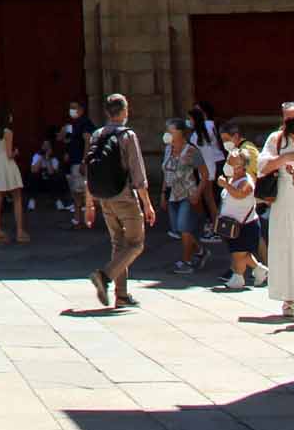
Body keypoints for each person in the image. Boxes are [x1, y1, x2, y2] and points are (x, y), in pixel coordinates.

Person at [80, 93, 156, 309]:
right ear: (124, 111)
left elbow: (90, 171)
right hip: (124, 197)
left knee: (118, 244)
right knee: (136, 244)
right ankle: (104, 276)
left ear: (106, 112)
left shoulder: (97, 134)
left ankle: (121, 295)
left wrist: (89, 203)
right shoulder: (128, 135)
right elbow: (138, 174)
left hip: (104, 198)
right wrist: (147, 204)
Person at [257, 101, 294, 318]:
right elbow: (262, 166)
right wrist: (285, 158)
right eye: (288, 118)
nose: (293, 122)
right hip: (284, 201)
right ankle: (288, 298)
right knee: (286, 249)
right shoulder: (276, 140)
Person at [161, 120, 208, 273]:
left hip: (187, 194)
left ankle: (186, 261)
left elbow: (204, 174)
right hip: (172, 194)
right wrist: (163, 194)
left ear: (180, 133)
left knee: (184, 227)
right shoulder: (168, 149)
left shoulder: (191, 151)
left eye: (171, 131)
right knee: (178, 229)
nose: (168, 134)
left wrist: (198, 192)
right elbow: (165, 173)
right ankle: (200, 250)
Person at [216, 148, 265, 292]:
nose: (229, 165)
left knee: (239, 254)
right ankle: (259, 270)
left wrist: (225, 185)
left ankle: (238, 278)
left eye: (233, 163)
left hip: (245, 226)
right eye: (228, 162)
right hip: (231, 225)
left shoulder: (247, 181)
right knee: (241, 253)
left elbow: (240, 194)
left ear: (242, 166)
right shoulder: (231, 179)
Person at [0, 107, 29, 243]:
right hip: (7, 166)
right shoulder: (8, 132)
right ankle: (20, 231)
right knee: (17, 197)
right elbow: (9, 154)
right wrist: (16, 153)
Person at [59, 101, 94, 227]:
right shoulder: (74, 125)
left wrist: (84, 161)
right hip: (74, 162)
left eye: (75, 107)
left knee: (84, 192)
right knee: (76, 192)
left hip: (80, 162)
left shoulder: (85, 123)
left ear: (81, 109)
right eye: (70, 107)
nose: (72, 110)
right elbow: (63, 139)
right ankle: (78, 219)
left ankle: (86, 220)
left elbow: (87, 141)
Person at [27, 137, 63, 207]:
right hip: (39, 180)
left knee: (56, 177)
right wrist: (41, 157)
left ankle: (58, 200)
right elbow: (33, 170)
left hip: (50, 181)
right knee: (32, 176)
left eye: (48, 146)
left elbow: (51, 172)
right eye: (44, 145)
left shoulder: (54, 158)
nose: (46, 148)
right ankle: (32, 200)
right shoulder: (37, 156)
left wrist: (47, 158)